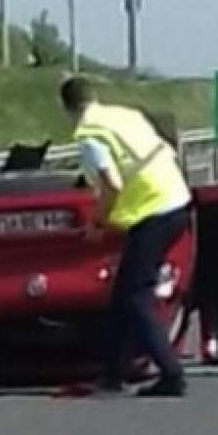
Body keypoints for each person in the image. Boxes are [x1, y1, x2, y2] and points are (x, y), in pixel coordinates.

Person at [62, 77, 194, 398]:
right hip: (177, 200)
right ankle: (112, 373)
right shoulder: (125, 116)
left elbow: (113, 183)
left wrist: (98, 222)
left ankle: (172, 374)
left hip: (153, 211)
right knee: (123, 295)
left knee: (136, 296)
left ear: (67, 108)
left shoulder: (90, 135)